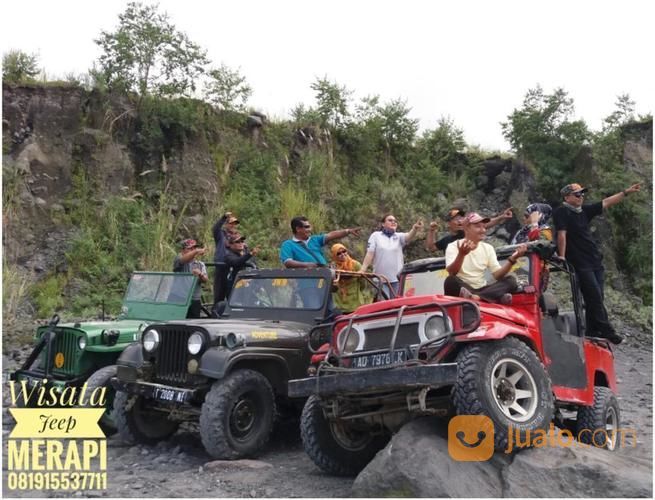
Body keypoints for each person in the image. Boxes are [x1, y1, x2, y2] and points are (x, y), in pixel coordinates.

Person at [553, 182, 641, 344]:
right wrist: (562, 257)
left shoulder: (584, 211)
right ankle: (607, 330)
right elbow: (562, 234)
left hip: (594, 260)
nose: (581, 197)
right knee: (593, 295)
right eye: (577, 194)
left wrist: (626, 192)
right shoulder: (561, 212)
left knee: (597, 296)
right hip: (580, 262)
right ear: (567, 197)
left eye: (582, 194)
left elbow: (606, 202)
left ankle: (593, 330)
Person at [280, 216, 361, 309]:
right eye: (306, 227)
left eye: (309, 226)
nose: (310, 229)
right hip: (307, 285)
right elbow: (287, 262)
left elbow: (331, 235)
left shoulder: (314, 240)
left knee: (330, 310)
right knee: (314, 310)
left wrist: (347, 231)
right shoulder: (288, 244)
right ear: (298, 229)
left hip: (324, 282)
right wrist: (307, 265)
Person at [444, 213, 527, 304]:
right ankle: (493, 298)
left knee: (511, 280)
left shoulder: (488, 248)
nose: (483, 230)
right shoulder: (453, 246)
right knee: (450, 281)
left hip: (482, 288)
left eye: (484, 227)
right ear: (466, 228)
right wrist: (461, 254)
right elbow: (452, 272)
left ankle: (478, 297)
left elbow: (497, 275)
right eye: (478, 227)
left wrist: (512, 259)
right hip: (464, 288)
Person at [361, 214, 423, 296]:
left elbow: (408, 236)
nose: (393, 222)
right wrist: (363, 269)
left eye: (395, 221)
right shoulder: (376, 236)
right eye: (390, 220)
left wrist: (414, 229)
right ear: (383, 224)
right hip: (380, 279)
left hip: (397, 280)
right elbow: (370, 254)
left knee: (396, 305)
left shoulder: (398, 236)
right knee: (383, 305)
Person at [426, 207, 514, 253]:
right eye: (456, 219)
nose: (460, 221)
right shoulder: (446, 240)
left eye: (462, 218)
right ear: (449, 223)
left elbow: (485, 224)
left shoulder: (468, 232)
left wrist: (501, 217)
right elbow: (431, 247)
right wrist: (431, 230)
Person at [329, 243, 372, 313]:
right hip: (340, 302)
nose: (342, 254)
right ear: (334, 256)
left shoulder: (355, 265)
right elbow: (332, 286)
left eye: (344, 251)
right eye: (339, 253)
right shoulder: (333, 267)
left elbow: (363, 283)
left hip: (355, 301)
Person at [173, 238, 209, 318]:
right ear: (183, 250)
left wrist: (200, 274)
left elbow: (205, 280)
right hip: (179, 298)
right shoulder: (179, 259)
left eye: (194, 248)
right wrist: (196, 251)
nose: (193, 250)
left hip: (194, 299)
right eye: (190, 248)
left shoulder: (200, 264)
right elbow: (183, 260)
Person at [212, 212, 241, 304]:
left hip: (234, 267)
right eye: (231, 223)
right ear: (226, 224)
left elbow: (244, 249)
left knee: (233, 295)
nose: (233, 225)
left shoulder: (238, 237)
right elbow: (215, 228)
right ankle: (216, 314)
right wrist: (223, 217)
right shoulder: (221, 235)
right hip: (222, 266)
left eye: (235, 223)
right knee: (219, 295)